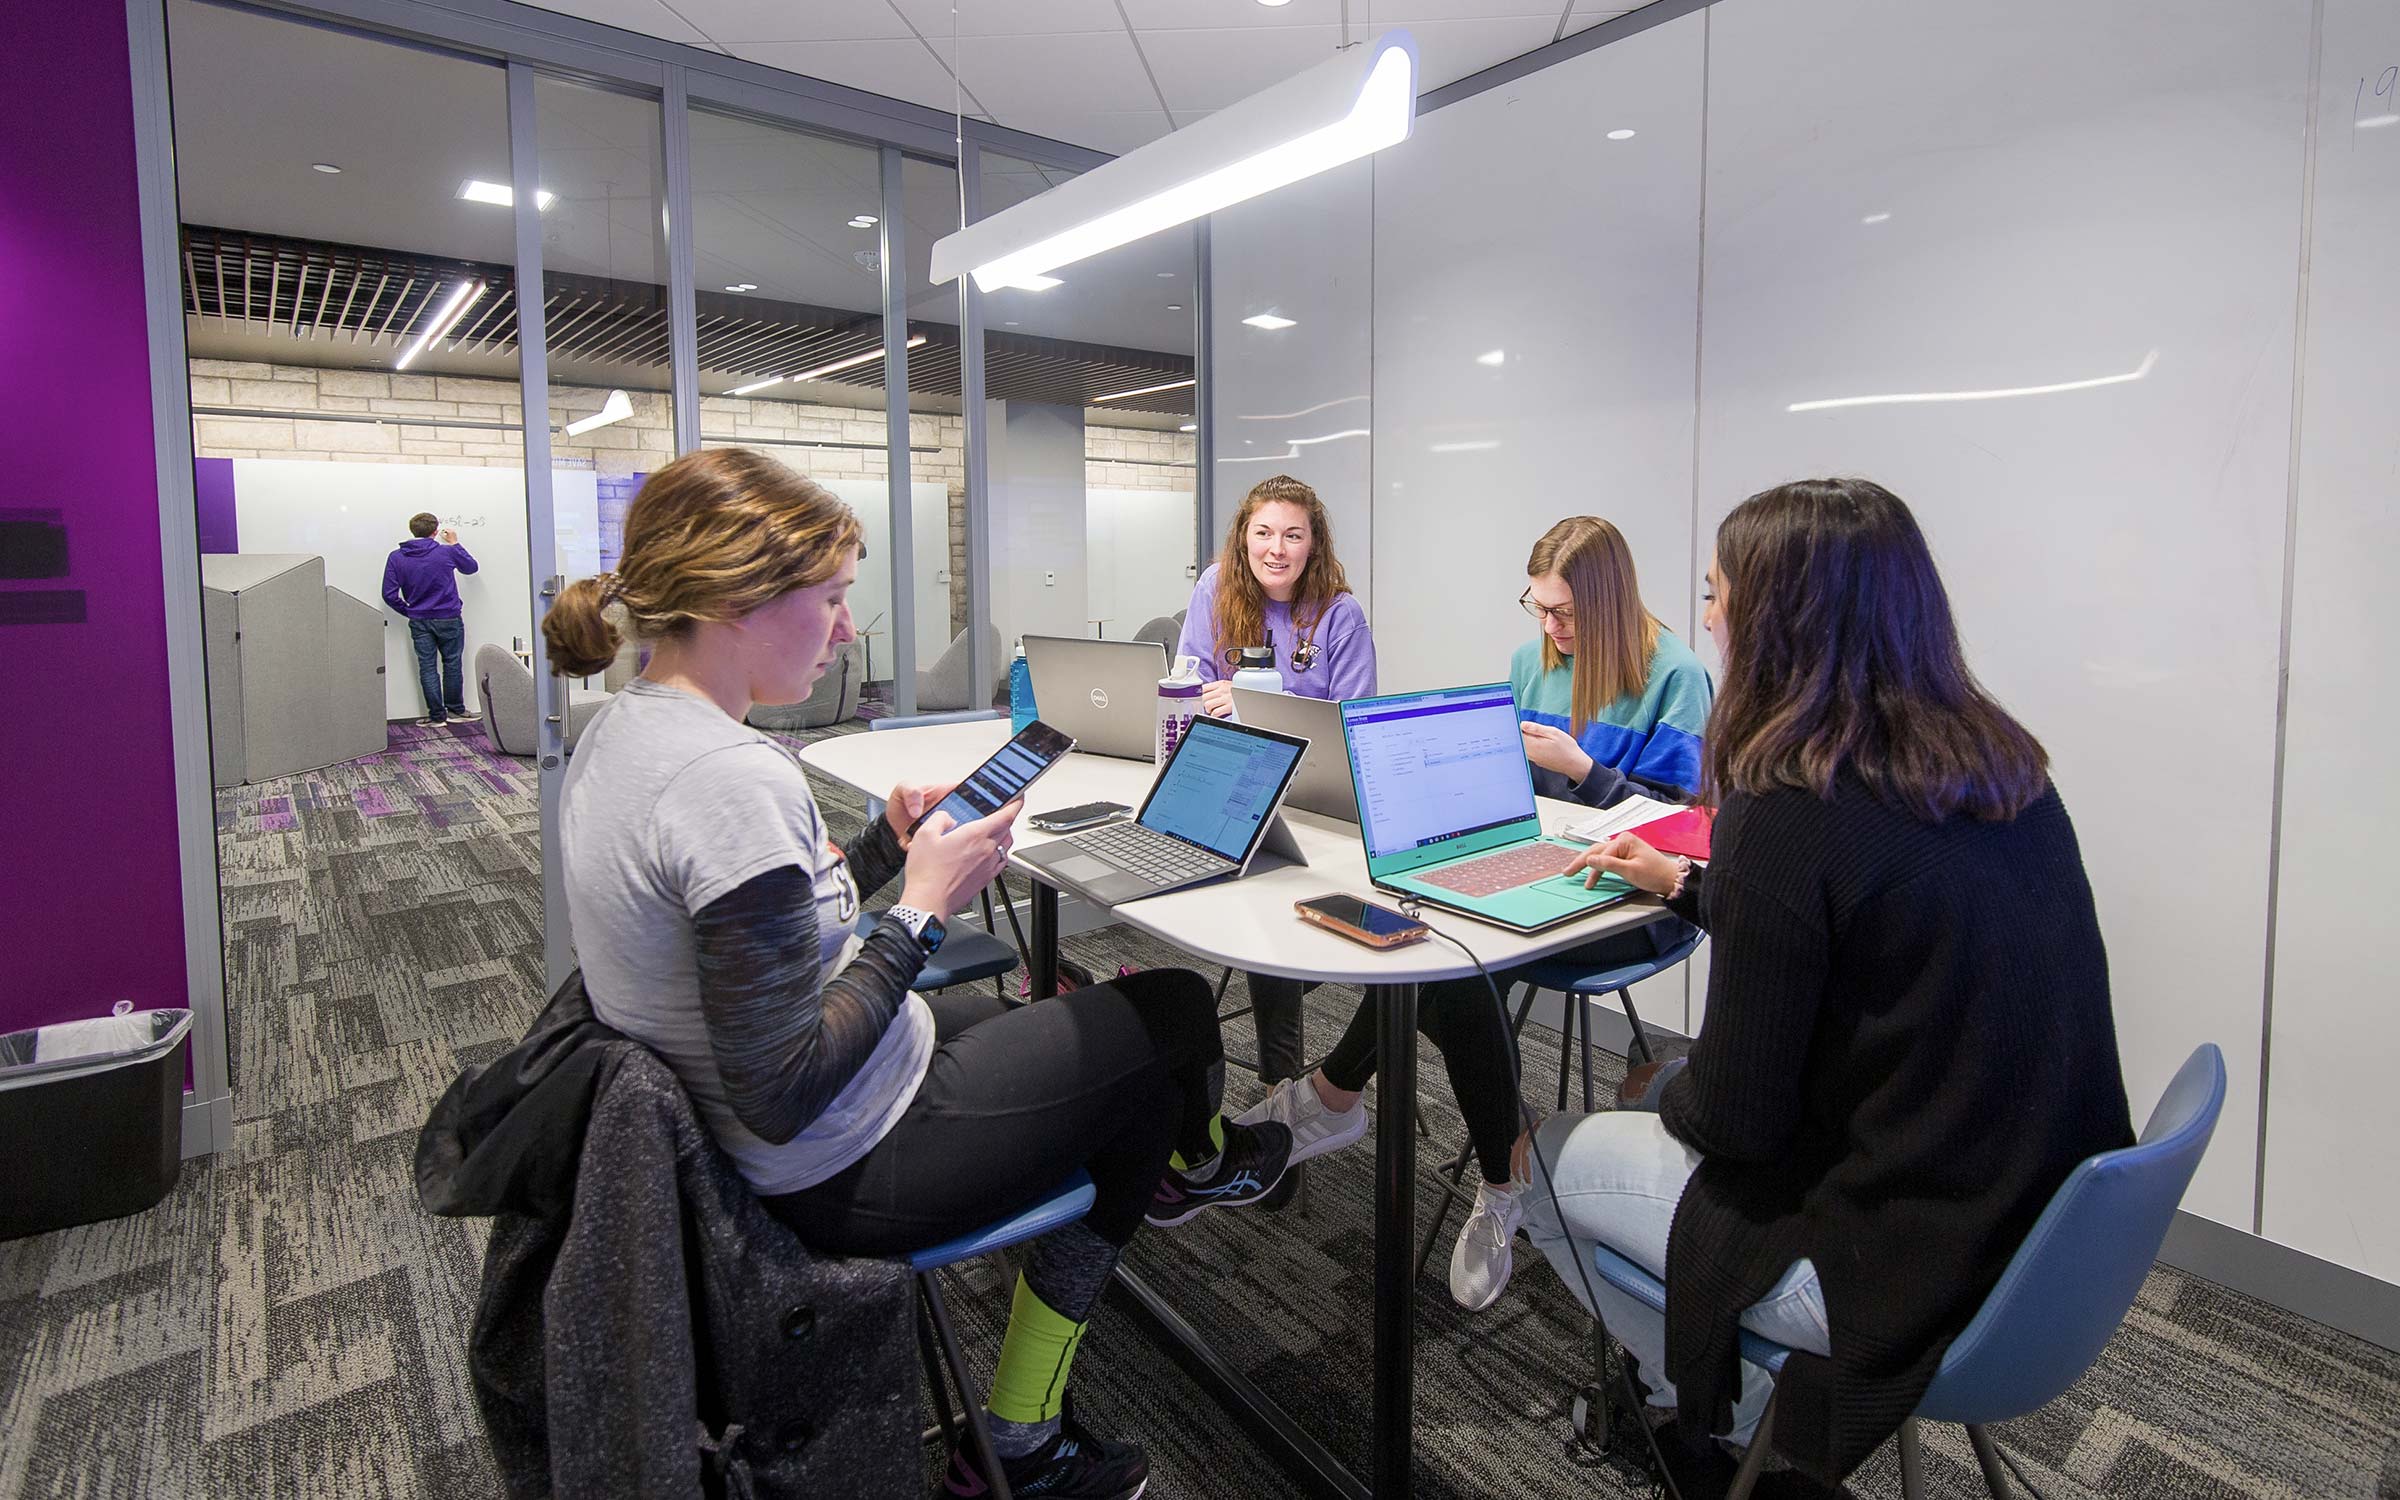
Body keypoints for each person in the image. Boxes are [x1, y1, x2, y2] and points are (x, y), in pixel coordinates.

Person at [546, 449, 1292, 1500]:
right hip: (836, 1162)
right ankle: (1030, 1435)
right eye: (833, 599)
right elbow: (780, 1087)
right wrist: (925, 910)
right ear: (737, 602)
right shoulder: (725, 778)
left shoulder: (627, 731)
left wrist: (885, 853)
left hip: (792, 1124)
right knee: (1168, 1017)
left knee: (1099, 1054)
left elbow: (763, 948)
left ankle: (1164, 1181)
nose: (848, 630)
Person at [1519, 477, 2132, 1494]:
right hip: (2044, 1228)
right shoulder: (1999, 765)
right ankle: (1743, 1413)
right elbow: (1858, 921)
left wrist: (1669, 1089)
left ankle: (1727, 1426)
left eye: (1718, 595)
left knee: (1540, 1163)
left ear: (1775, 617)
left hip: (1899, 1262)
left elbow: (1739, 1124)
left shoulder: (1787, 799)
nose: (1706, 618)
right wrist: (1683, 882)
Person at [1235, 516, 1710, 1310]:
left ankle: (1377, 1118)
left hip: (1637, 898)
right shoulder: (1533, 661)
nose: (1552, 631)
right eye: (1540, 610)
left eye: (1566, 615)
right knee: (1421, 925)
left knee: (1448, 967)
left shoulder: (1676, 675)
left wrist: (1586, 770)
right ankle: (1482, 1164)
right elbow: (1509, 791)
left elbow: (1682, 830)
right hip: (1540, 868)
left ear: (1611, 604)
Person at [1173, 475, 1378, 1162]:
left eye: (1292, 533)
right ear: (1243, 537)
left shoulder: (1339, 615)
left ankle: (1279, 1089)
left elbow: (1355, 725)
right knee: (1255, 914)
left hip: (1316, 802)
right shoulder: (1214, 588)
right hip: (1233, 782)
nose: (1276, 548)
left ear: (1313, 541)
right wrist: (1209, 702)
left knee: (1269, 922)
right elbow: (1186, 677)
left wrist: (1265, 698)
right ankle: (1282, 1091)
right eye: (1263, 532)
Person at [381, 512, 480, 725]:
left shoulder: (397, 557)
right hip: (449, 617)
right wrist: (455, 544)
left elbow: (389, 594)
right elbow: (471, 568)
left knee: (427, 666)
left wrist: (410, 611)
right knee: (452, 663)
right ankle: (455, 711)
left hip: (419, 620)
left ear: (412, 530)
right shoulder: (446, 552)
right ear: (435, 531)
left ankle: (437, 716)